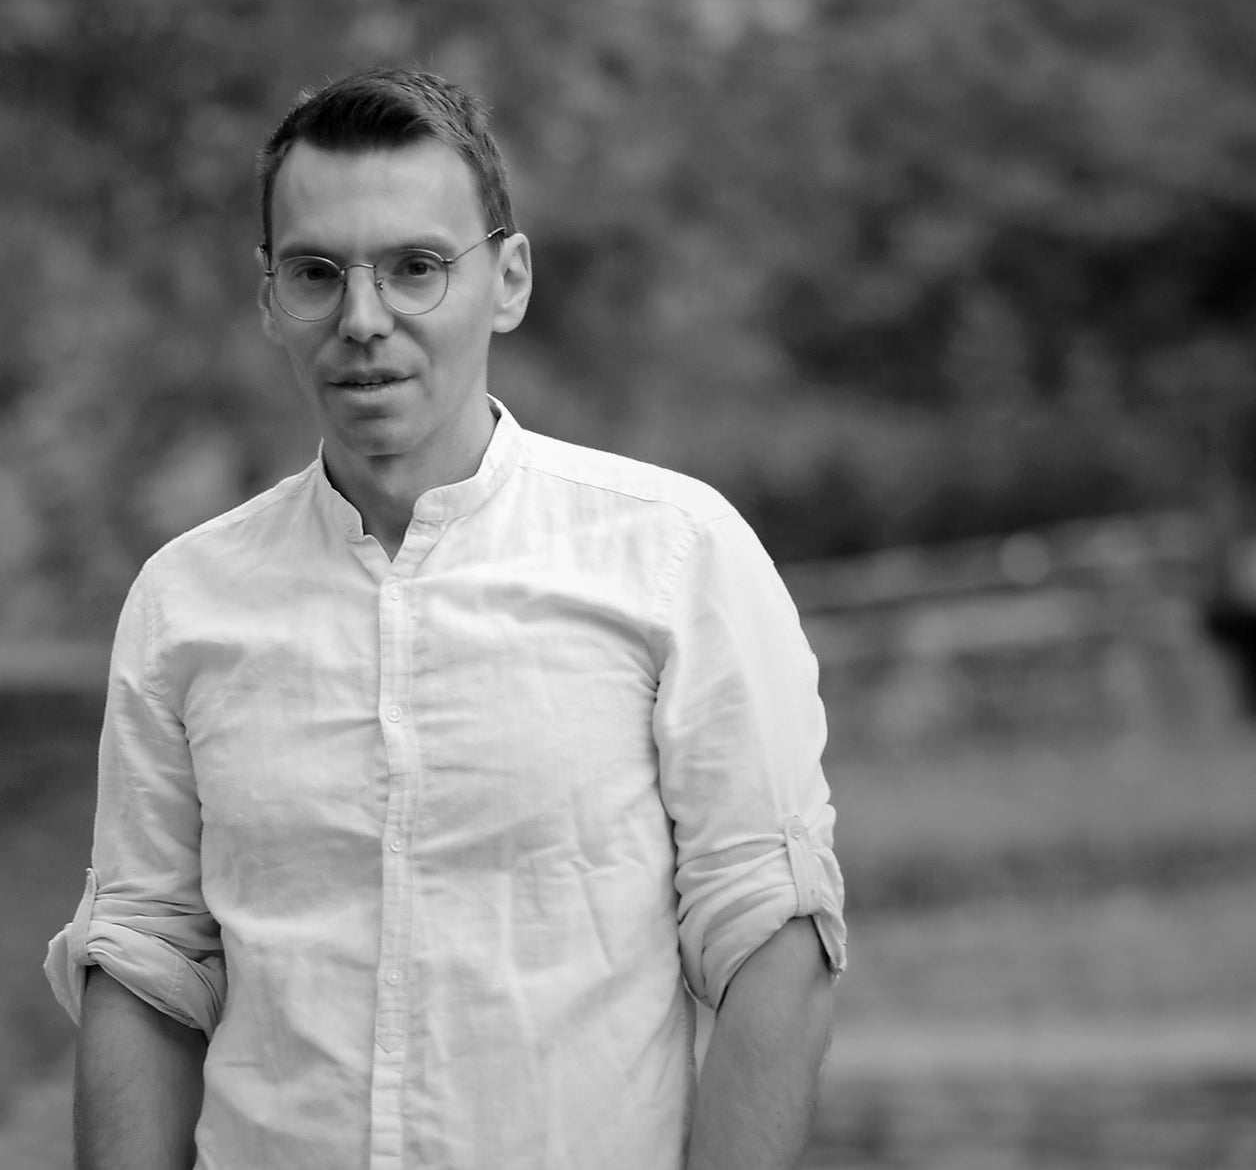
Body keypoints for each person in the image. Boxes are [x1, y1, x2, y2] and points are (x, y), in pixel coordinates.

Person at [45, 67, 844, 1169]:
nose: (363, 320)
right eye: (317, 274)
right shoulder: (185, 601)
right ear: (270, 298)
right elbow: (147, 966)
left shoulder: (673, 556)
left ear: (508, 280)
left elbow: (771, 937)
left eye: (415, 268)